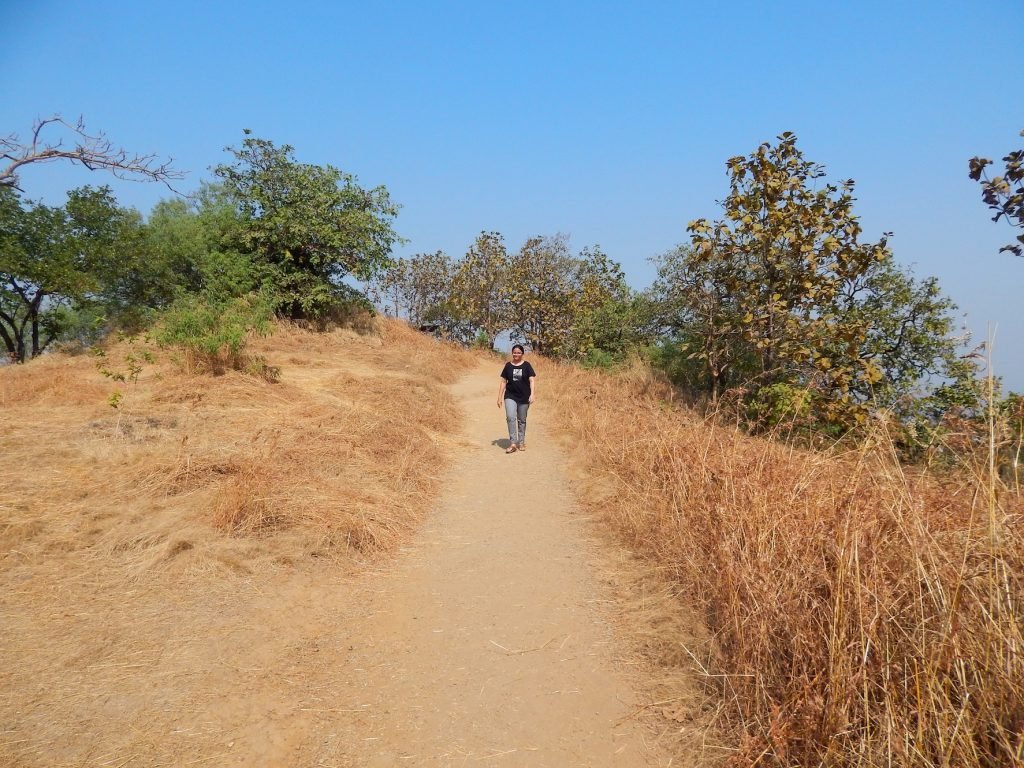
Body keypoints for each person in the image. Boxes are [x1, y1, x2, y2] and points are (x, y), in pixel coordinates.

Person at [497, 344, 536, 454]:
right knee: (510, 417)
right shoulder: (508, 366)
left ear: (522, 354)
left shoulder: (527, 366)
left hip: (524, 396)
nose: (516, 354)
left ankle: (521, 442)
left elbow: (532, 380)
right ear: (512, 353)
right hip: (510, 396)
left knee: (522, 420)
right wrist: (499, 397)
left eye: (519, 352)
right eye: (514, 352)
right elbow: (503, 381)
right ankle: (513, 443)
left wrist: (532, 394)